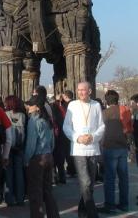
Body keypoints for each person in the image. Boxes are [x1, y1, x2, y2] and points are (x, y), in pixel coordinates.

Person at [63, 82, 105, 218]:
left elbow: (102, 126)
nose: (81, 92)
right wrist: (77, 138)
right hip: (78, 149)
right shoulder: (72, 105)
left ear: (90, 91)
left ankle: (82, 210)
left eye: (84, 90)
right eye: (79, 90)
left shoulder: (96, 105)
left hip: (93, 148)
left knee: (91, 184)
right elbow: (66, 127)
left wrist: (93, 137)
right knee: (85, 182)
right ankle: (93, 214)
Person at [24, 95, 60, 218]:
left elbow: (31, 144)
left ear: (37, 107)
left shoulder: (33, 121)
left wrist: (26, 160)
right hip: (49, 156)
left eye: (31, 104)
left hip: (37, 159)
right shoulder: (47, 119)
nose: (28, 106)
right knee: (47, 191)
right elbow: (52, 142)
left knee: (35, 193)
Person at [98, 90, 131, 213]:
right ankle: (124, 204)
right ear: (117, 99)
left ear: (106, 100)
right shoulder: (125, 110)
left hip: (109, 147)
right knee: (123, 177)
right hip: (122, 147)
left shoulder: (104, 113)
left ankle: (110, 206)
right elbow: (129, 128)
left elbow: (101, 133)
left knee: (110, 179)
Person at [4, 95, 26, 206]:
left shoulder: (5, 115)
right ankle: (20, 198)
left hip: (9, 147)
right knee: (19, 173)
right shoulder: (22, 115)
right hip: (20, 147)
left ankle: (9, 199)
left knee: (9, 173)